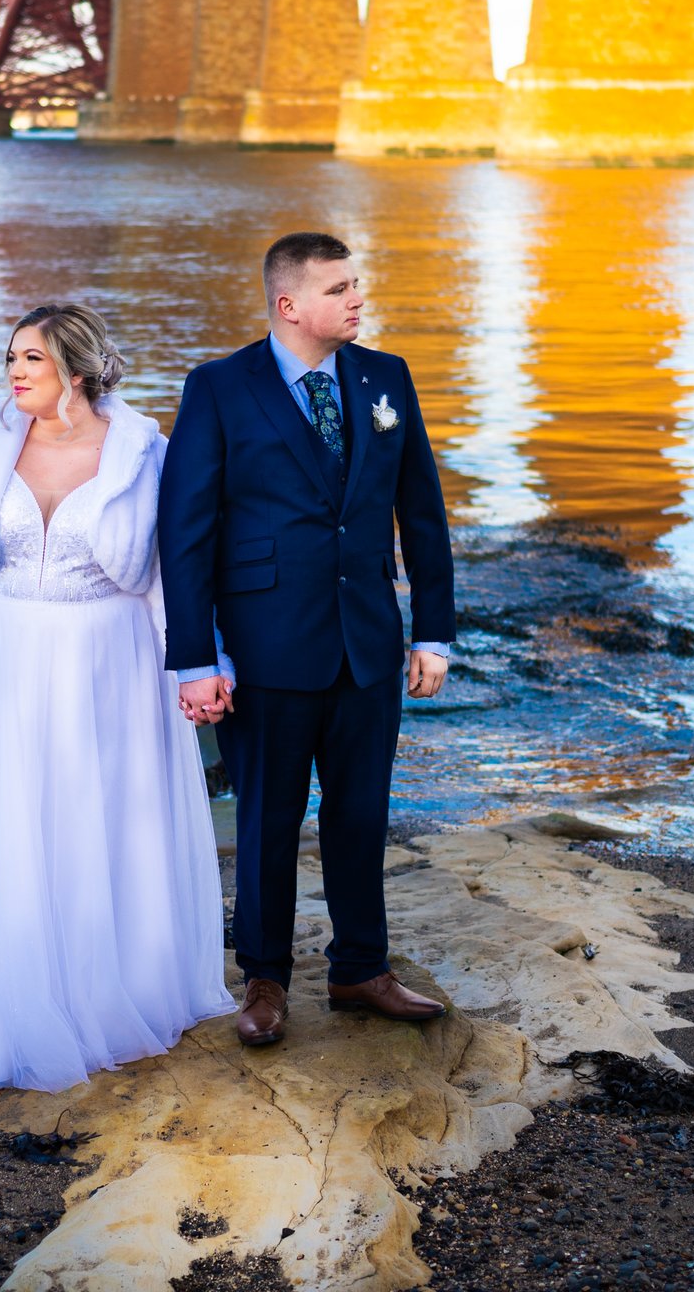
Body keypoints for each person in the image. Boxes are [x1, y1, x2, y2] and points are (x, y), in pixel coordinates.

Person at [0, 302, 233, 1094]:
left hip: (107, 662)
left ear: (75, 369)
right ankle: (7, 1000)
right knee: (10, 821)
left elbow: (172, 569)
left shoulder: (144, 452)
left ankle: (109, 998)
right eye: (10, 357)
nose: (13, 371)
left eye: (31, 359)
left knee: (98, 820)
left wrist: (195, 667)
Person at [158, 232, 457, 1047]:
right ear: (289, 305)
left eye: (356, 284)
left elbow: (421, 512)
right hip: (264, 647)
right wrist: (194, 657)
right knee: (266, 821)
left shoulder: (384, 377)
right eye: (339, 288)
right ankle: (264, 981)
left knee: (362, 813)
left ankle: (362, 968)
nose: (357, 299)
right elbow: (184, 534)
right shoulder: (219, 388)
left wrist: (433, 631)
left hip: (368, 639)